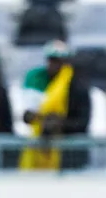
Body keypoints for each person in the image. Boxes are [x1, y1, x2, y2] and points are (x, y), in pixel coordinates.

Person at [20, 40, 92, 170]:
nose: (53, 65)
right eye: (51, 60)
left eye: (59, 61)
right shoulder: (41, 84)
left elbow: (82, 121)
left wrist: (60, 124)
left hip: (70, 155)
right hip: (42, 149)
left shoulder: (77, 87)